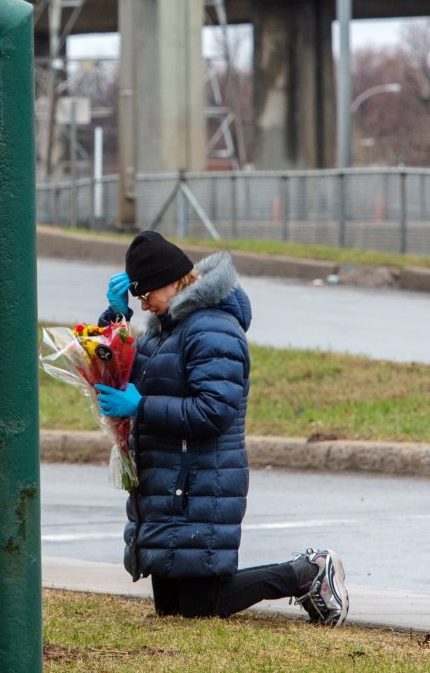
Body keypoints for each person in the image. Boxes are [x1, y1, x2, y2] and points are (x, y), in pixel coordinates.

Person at [94, 230, 349, 626]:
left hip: (200, 480)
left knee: (201, 606)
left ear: (175, 282)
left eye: (147, 296)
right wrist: (116, 318)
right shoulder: (165, 329)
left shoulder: (213, 328)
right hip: (167, 481)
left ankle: (307, 573)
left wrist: (141, 406)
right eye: (138, 298)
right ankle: (301, 575)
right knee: (172, 610)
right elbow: (125, 371)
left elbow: (214, 410)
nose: (144, 303)